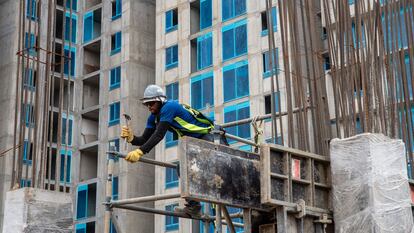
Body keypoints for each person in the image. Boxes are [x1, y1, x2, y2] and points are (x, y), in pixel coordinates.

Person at [120, 84, 228, 217]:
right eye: (147, 104)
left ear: (160, 100)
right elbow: (143, 139)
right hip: (195, 143)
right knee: (182, 167)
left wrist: (140, 152)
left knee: (219, 176)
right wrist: (131, 138)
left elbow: (159, 135)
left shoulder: (169, 107)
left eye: (152, 103)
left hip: (210, 137)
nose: (149, 107)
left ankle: (216, 207)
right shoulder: (153, 117)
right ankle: (193, 207)